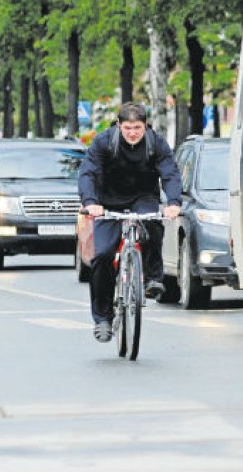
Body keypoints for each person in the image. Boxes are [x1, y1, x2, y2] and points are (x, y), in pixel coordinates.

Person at [78, 102, 182, 343]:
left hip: (143, 197)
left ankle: (153, 278)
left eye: (137, 127)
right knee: (102, 256)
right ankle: (103, 318)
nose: (133, 132)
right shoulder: (104, 143)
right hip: (107, 202)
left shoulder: (156, 143)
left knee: (154, 223)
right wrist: (91, 202)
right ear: (118, 125)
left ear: (145, 126)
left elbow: (170, 173)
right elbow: (89, 173)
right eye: (127, 128)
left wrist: (174, 202)